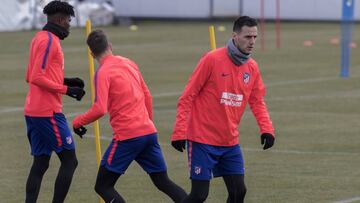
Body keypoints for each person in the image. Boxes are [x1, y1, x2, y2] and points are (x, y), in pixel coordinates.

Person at [72, 29, 187, 203]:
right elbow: (147, 95)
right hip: (148, 132)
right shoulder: (129, 62)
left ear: (91, 54)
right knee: (163, 182)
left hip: (128, 137)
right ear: (110, 46)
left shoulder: (102, 73)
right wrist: (146, 124)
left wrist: (77, 122)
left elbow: (100, 109)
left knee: (102, 186)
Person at [171, 16, 275, 203]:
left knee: (238, 192)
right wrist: (180, 132)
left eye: (254, 37)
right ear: (235, 36)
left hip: (229, 141)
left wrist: (267, 129)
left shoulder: (252, 67)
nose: (252, 42)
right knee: (199, 195)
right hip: (202, 139)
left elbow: (258, 101)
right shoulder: (211, 59)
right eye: (247, 37)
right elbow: (187, 96)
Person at [24, 1, 86, 203]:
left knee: (41, 163)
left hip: (33, 111)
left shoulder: (38, 38)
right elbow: (36, 77)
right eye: (68, 20)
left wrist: (66, 79)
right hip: (47, 113)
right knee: (70, 161)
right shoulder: (49, 41)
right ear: (59, 20)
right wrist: (67, 89)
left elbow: (30, 75)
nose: (69, 24)